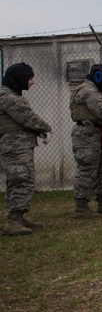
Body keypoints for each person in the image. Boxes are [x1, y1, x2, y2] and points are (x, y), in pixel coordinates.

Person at [0, 64, 52, 236]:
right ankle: (14, 222)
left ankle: (18, 217)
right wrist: (46, 128)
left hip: (18, 146)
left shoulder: (10, 95)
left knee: (21, 179)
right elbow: (27, 117)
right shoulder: (8, 98)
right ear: (19, 78)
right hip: (15, 147)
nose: (33, 82)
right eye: (30, 78)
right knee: (21, 179)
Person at [70, 63, 102, 217]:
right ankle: (81, 206)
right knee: (87, 169)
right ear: (100, 78)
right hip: (87, 134)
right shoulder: (89, 92)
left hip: (97, 132)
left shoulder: (95, 91)